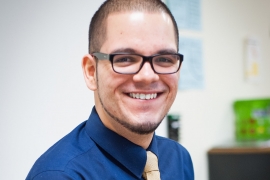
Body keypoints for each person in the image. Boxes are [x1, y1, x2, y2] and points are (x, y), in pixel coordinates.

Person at [26, 0, 194, 179]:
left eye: (164, 59)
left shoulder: (179, 159)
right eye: (125, 59)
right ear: (91, 72)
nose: (148, 76)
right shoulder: (59, 175)